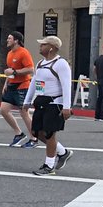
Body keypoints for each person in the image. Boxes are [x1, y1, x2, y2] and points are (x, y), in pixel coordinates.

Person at [24, 35, 74, 176]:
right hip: (41, 102)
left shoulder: (61, 64)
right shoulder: (40, 63)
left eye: (43, 44)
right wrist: (27, 101)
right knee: (36, 132)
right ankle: (63, 152)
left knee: (49, 133)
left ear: (51, 48)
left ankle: (49, 166)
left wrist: (66, 106)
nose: (40, 47)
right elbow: (34, 82)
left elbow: (66, 85)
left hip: (55, 103)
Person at [1, 32, 37, 147]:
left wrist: (15, 72)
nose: (7, 40)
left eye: (9, 38)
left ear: (16, 40)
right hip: (11, 85)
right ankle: (19, 133)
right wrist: (6, 83)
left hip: (23, 85)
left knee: (24, 112)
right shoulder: (10, 53)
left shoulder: (23, 52)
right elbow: (11, 70)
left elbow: (31, 69)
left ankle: (34, 138)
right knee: (3, 110)